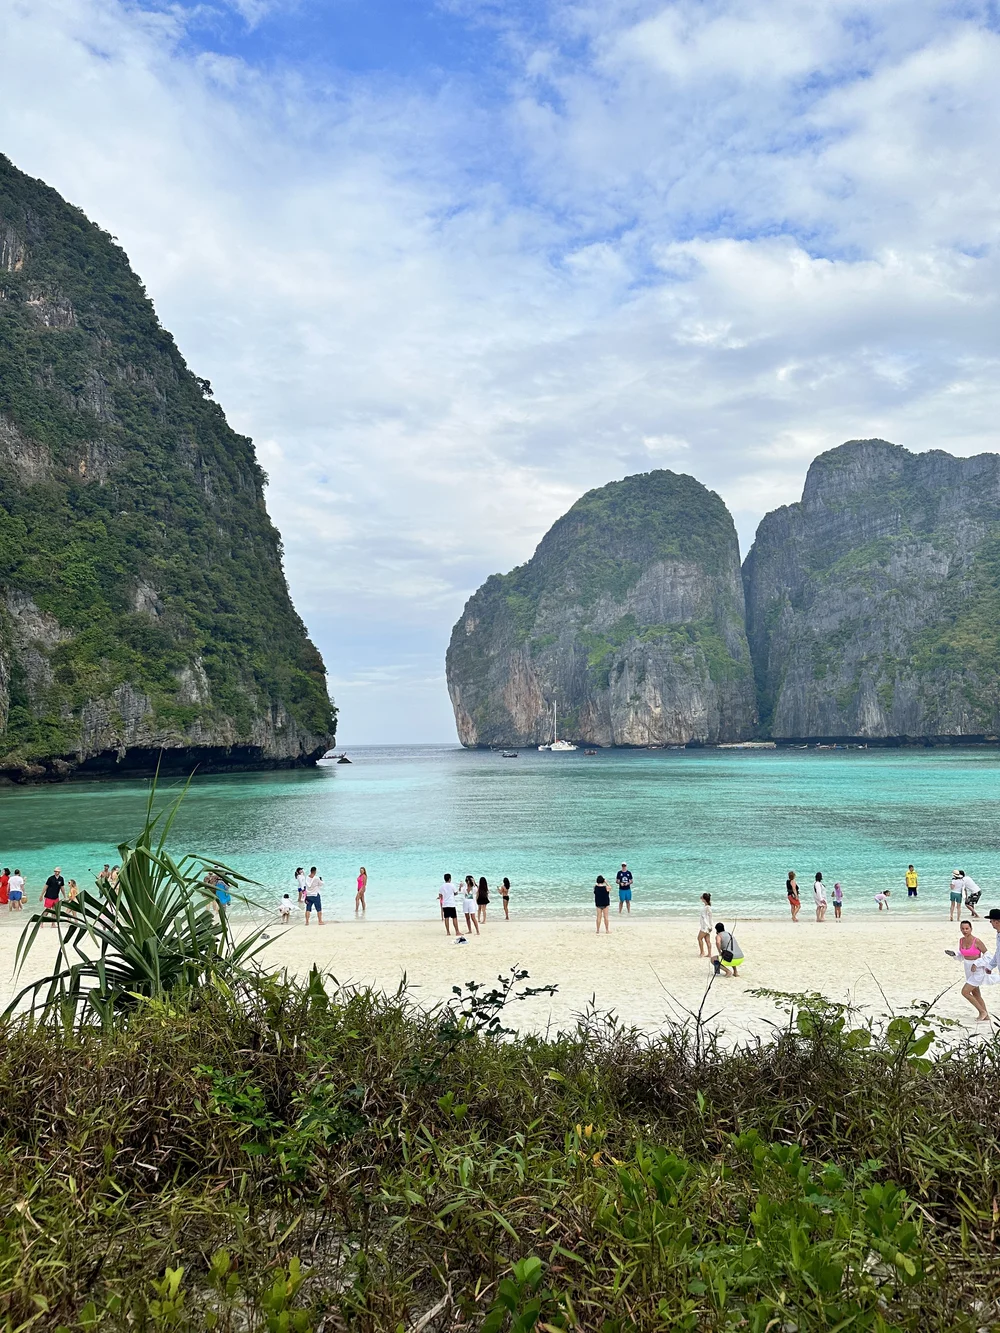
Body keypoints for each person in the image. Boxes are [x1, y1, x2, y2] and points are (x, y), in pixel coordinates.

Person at [946, 920, 991, 1022]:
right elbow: (962, 955)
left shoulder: (977, 941)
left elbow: (988, 955)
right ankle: (986, 1016)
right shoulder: (961, 940)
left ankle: (982, 1012)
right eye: (962, 929)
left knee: (965, 992)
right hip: (967, 968)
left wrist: (977, 963)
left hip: (977, 970)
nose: (964, 931)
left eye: (967, 928)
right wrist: (954, 955)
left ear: (971, 929)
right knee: (976, 993)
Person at [440, 873, 463, 938]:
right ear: (450, 879)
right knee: (454, 917)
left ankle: (448, 932)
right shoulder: (452, 885)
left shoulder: (442, 886)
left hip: (445, 904)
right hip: (451, 903)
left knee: (446, 918)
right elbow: (455, 893)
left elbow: (440, 895)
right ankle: (457, 931)